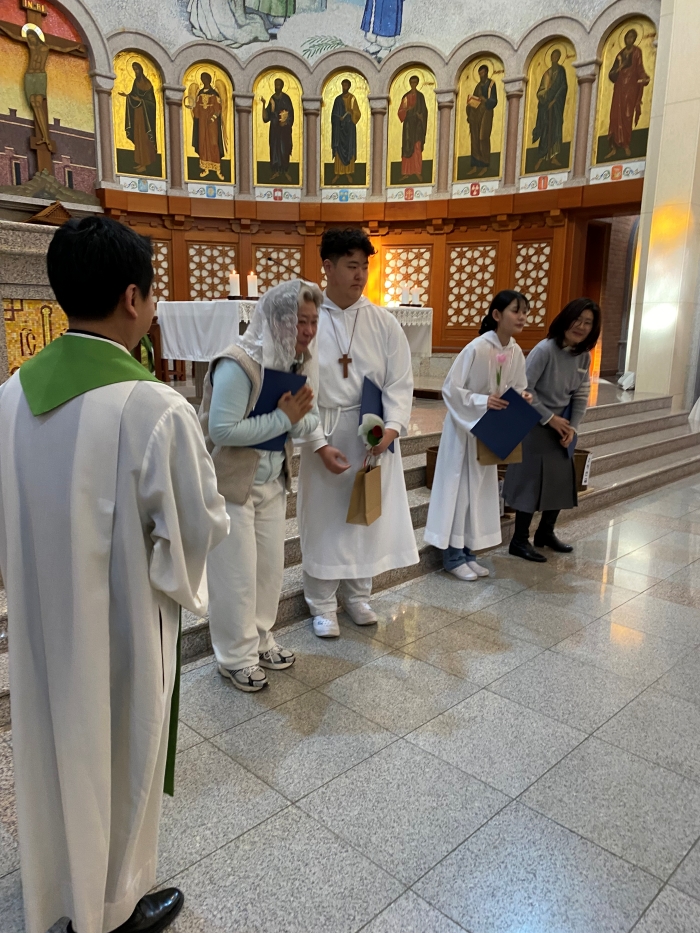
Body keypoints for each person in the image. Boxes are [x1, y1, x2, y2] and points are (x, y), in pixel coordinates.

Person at [0, 217, 229, 933]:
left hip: (38, 623)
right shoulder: (154, 407)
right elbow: (198, 525)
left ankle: (56, 893)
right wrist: (177, 572)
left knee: (53, 749)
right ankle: (113, 909)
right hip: (122, 626)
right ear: (133, 297)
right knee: (119, 752)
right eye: (154, 296)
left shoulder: (10, 395)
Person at [199, 281, 321, 691]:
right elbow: (222, 430)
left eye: (313, 322)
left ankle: (261, 639)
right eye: (300, 321)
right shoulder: (239, 363)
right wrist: (283, 419)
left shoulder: (293, 362)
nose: (308, 331)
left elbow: (307, 419)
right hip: (233, 484)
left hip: (272, 480)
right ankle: (235, 656)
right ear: (277, 319)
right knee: (235, 576)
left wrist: (297, 419)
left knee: (268, 570)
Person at [297, 227, 419, 638]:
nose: (360, 275)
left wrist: (393, 428)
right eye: (351, 266)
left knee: (364, 517)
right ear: (327, 267)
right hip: (326, 430)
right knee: (324, 519)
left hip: (371, 434)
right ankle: (321, 603)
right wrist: (317, 443)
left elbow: (400, 381)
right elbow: (297, 383)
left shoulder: (383, 322)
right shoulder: (309, 319)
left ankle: (358, 595)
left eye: (364, 266)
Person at [424, 291, 529, 579]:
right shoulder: (477, 348)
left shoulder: (516, 352)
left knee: (480, 492)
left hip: (490, 429)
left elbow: (518, 386)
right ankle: (453, 557)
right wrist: (483, 401)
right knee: (459, 492)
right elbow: (451, 389)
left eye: (525, 312)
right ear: (496, 315)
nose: (522, 317)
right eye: (516, 310)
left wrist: (522, 397)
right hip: (465, 430)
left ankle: (469, 552)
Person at [504, 298, 601, 561]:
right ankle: (519, 540)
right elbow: (525, 389)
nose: (581, 326)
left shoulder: (583, 356)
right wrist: (550, 418)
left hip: (562, 427)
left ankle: (545, 533)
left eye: (588, 323)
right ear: (565, 319)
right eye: (577, 319)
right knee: (529, 483)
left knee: (559, 481)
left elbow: (581, 394)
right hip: (534, 423)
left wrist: (573, 428)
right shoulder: (544, 350)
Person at [606, 29, 650, 159]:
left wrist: (644, 77)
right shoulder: (620, 54)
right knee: (615, 115)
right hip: (619, 88)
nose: (629, 40)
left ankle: (626, 144)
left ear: (634, 39)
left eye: (631, 37)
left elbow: (640, 68)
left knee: (627, 115)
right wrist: (617, 70)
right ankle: (613, 147)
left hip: (631, 88)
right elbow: (611, 73)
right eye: (627, 37)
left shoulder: (637, 52)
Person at [532, 49, 568, 171]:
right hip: (546, 107)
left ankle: (554, 157)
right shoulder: (547, 73)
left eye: (556, 56)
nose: (554, 58)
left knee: (556, 128)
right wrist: (546, 96)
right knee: (545, 129)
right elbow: (540, 91)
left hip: (556, 106)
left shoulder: (561, 71)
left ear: (559, 58)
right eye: (553, 56)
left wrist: (555, 100)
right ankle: (541, 157)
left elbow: (563, 86)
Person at [121, 61, 159, 173]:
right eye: (134, 70)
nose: (135, 72)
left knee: (144, 138)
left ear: (141, 70)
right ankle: (140, 162)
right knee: (138, 137)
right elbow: (133, 94)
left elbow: (152, 103)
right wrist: (127, 96)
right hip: (138, 114)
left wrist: (141, 101)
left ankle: (146, 163)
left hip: (146, 118)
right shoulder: (135, 82)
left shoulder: (148, 84)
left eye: (137, 69)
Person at [191, 71, 225, 180]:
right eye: (202, 79)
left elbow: (218, 109)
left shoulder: (214, 94)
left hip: (212, 123)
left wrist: (213, 118)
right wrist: (193, 109)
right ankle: (206, 168)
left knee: (213, 143)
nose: (204, 81)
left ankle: (218, 170)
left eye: (206, 78)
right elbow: (197, 109)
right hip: (202, 123)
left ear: (209, 80)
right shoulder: (200, 93)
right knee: (203, 143)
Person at [467, 64, 498, 177]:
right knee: (475, 138)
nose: (481, 76)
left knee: (482, 137)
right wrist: (471, 104)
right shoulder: (478, 86)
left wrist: (485, 100)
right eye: (479, 74)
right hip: (476, 114)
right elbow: (475, 99)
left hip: (486, 113)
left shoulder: (491, 84)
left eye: (483, 73)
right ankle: (475, 166)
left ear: (487, 73)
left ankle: (485, 165)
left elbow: (494, 100)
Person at [262, 77, 295, 182]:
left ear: (282, 86)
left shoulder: (286, 98)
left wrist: (286, 122)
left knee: (284, 149)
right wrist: (264, 105)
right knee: (274, 149)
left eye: (278, 85)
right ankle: (275, 171)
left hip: (284, 130)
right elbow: (267, 117)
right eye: (275, 85)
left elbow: (291, 114)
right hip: (275, 129)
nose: (276, 87)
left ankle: (285, 171)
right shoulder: (272, 98)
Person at [331, 78, 362, 184]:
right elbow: (333, 115)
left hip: (349, 128)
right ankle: (338, 173)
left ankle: (348, 172)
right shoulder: (338, 100)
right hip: (339, 129)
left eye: (346, 85)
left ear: (349, 87)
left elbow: (358, 113)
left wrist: (351, 112)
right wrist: (338, 118)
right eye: (343, 85)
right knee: (339, 149)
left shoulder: (352, 99)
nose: (344, 87)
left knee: (349, 148)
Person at [398, 75, 428, 181]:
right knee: (407, 147)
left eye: (415, 82)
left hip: (418, 125)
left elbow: (424, 111)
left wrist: (421, 115)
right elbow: (400, 111)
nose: (413, 84)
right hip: (408, 125)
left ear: (417, 83)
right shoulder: (406, 96)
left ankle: (417, 171)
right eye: (411, 82)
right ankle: (406, 172)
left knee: (417, 147)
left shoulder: (420, 96)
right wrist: (406, 110)